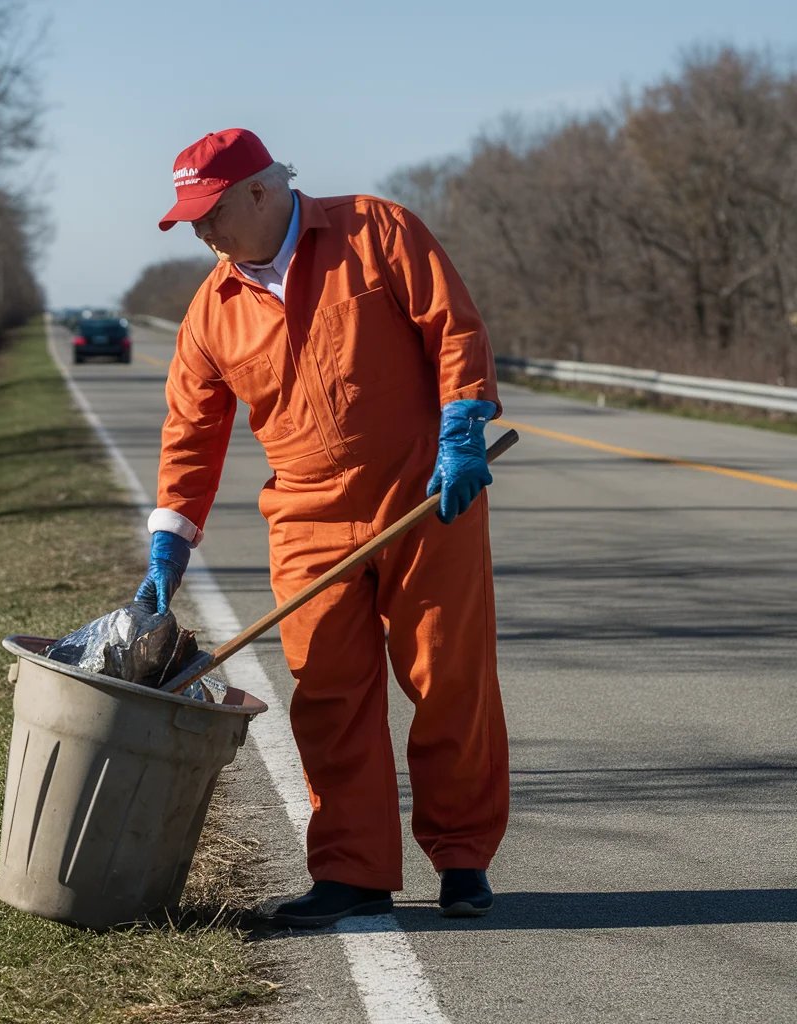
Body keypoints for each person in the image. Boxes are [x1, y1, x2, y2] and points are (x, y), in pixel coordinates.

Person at [134, 127, 509, 927]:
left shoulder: (378, 231)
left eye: (211, 212)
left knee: (448, 681)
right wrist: (171, 535)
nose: (202, 232)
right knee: (329, 696)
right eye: (190, 219)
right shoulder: (213, 310)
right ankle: (353, 873)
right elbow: (191, 433)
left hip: (424, 497)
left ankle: (463, 857)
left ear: (263, 193)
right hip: (307, 516)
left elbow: (454, 328)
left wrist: (463, 425)